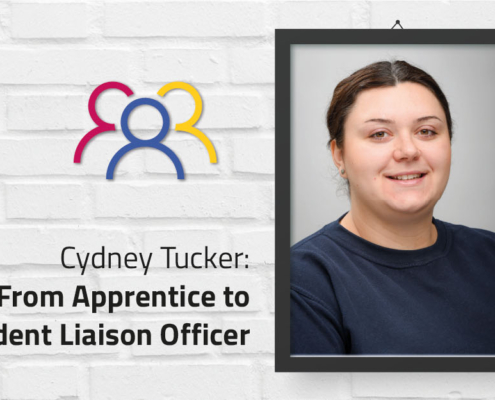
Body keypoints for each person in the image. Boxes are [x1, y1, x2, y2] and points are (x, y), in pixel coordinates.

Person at [290, 60, 495, 355]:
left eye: (426, 131)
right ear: (339, 156)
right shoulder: (303, 280)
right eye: (379, 134)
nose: (408, 151)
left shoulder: (488, 254)